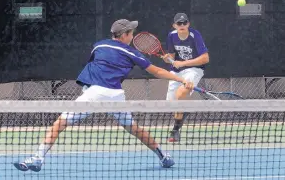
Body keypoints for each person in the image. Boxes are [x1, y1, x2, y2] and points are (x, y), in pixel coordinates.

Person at [13, 19, 194, 172]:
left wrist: (87, 86)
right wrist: (181, 79)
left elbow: (94, 65)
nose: (132, 37)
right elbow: (157, 71)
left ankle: (38, 158)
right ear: (123, 35)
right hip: (115, 95)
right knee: (134, 129)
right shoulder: (132, 52)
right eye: (131, 33)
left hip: (95, 93)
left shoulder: (98, 45)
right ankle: (163, 156)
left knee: (59, 123)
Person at [162, 13, 209, 142]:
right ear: (174, 25)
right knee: (172, 104)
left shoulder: (195, 35)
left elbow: (205, 58)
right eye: (179, 24)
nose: (182, 25)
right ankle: (184, 111)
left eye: (184, 23)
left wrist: (183, 63)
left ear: (188, 24)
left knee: (181, 93)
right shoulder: (171, 36)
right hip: (176, 71)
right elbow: (171, 56)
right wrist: (168, 59)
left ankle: (175, 131)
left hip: (194, 70)